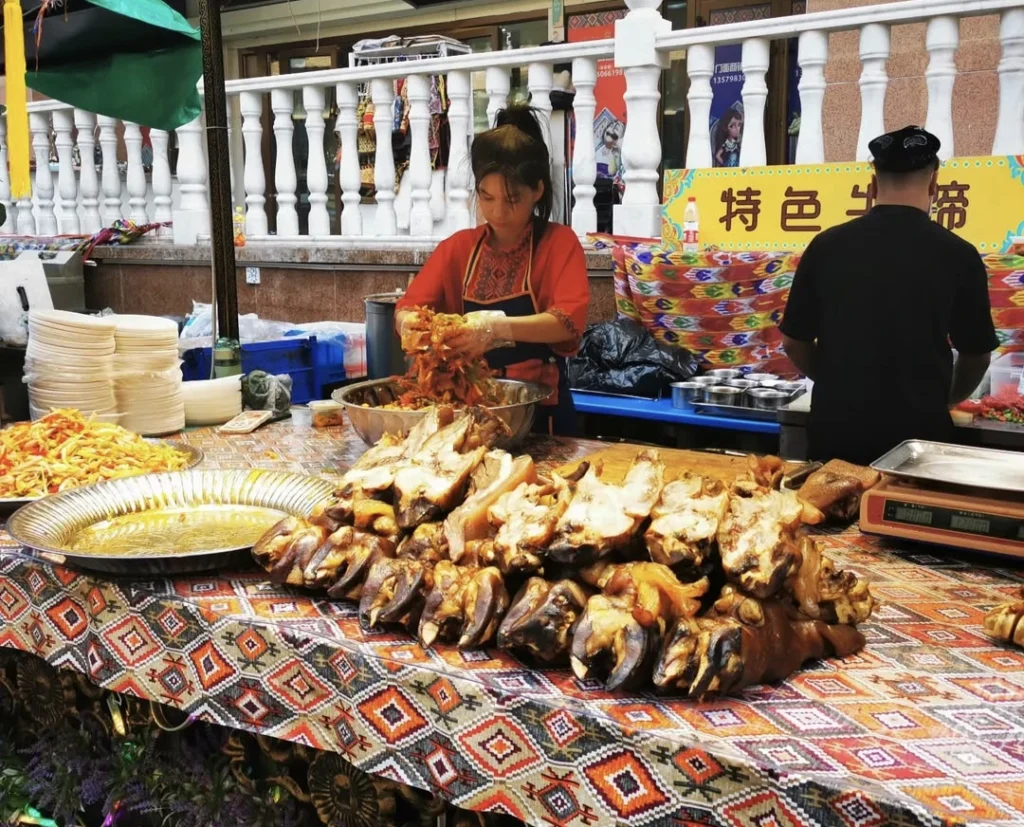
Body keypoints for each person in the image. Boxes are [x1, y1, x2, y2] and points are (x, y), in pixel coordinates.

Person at [779, 125, 997, 465]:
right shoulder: (959, 255)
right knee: (903, 504)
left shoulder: (826, 247)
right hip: (918, 442)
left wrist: (838, 382)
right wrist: (945, 398)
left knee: (828, 499)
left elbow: (794, 342)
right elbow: (977, 354)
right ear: (935, 185)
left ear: (873, 185)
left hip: (836, 436)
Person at [395, 105, 590, 436]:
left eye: (512, 199)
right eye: (487, 198)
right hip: (470, 415)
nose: (498, 212)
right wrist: (410, 325)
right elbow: (407, 308)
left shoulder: (559, 243)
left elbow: (567, 323)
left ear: (537, 190)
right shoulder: (457, 248)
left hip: (541, 413)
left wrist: (494, 329)